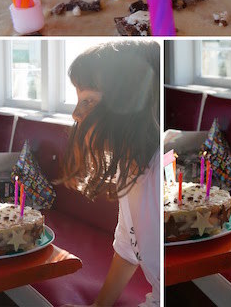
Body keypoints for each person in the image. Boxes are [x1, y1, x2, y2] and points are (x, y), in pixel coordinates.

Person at [60, 41, 160, 307]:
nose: (76, 114)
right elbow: (128, 249)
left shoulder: (160, 177)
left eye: (88, 101)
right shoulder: (128, 166)